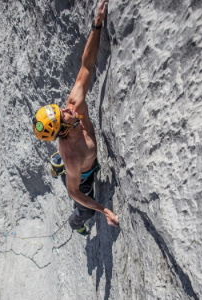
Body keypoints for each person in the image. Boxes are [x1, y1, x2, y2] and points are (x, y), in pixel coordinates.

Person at [32, 0, 119, 235]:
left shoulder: (73, 106)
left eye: (62, 109)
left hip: (78, 161)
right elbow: (74, 193)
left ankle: (55, 165)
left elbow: (86, 66)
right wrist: (104, 210)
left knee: (68, 167)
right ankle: (75, 225)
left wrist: (96, 24)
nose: (69, 109)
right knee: (85, 211)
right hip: (83, 174)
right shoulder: (71, 155)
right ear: (62, 130)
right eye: (64, 115)